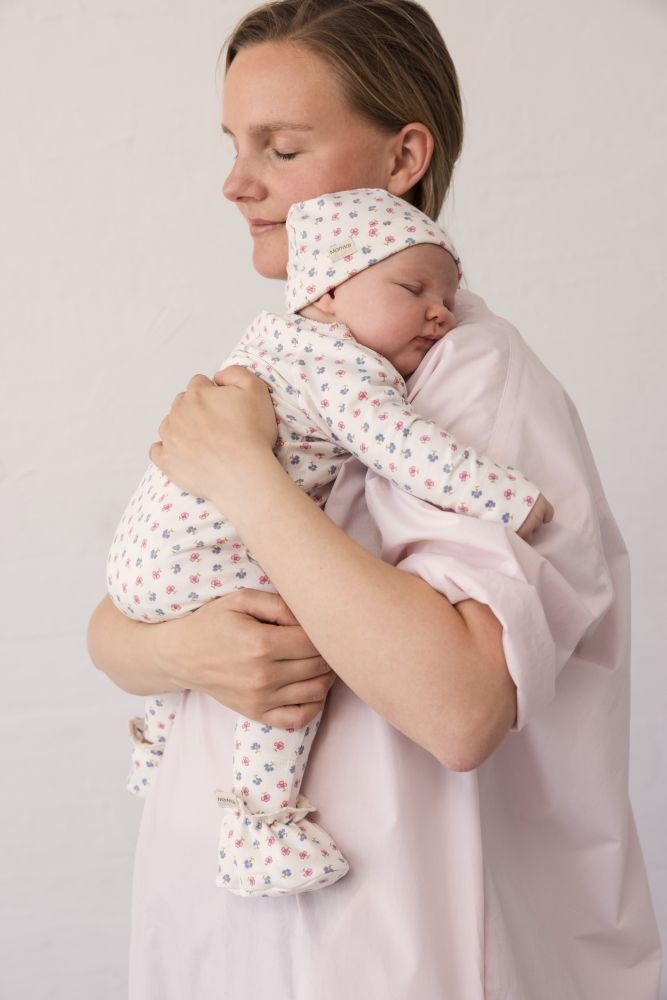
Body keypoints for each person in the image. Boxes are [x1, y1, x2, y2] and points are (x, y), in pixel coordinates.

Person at [87, 1, 661, 997]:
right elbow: (117, 623)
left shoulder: (472, 378)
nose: (237, 182)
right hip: (222, 936)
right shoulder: (296, 361)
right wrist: (183, 651)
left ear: (404, 158)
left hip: (393, 950)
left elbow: (459, 708)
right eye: (233, 144)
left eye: (281, 147)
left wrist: (246, 478)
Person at [107, 186, 552, 899]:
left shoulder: (275, 346)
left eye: (446, 295)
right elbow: (410, 451)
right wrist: (511, 499)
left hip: (149, 558)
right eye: (413, 289)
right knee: (297, 643)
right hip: (195, 557)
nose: (440, 312)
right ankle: (262, 826)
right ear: (330, 290)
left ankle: (158, 746)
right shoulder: (341, 368)